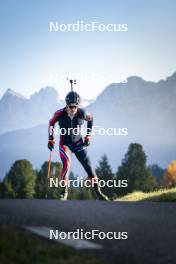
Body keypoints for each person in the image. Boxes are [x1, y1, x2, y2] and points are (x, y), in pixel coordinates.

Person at [48, 91, 108, 200]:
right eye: (71, 107)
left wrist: (88, 135)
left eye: (75, 107)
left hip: (79, 144)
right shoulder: (59, 114)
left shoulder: (82, 113)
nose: (73, 110)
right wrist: (50, 138)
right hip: (65, 145)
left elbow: (91, 119)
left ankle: (99, 193)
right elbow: (51, 123)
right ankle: (64, 193)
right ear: (66, 105)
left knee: (88, 167)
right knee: (66, 165)